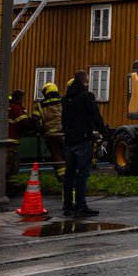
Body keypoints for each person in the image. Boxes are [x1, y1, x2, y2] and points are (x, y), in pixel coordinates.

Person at [61, 70, 109, 217]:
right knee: (83, 174)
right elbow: (95, 116)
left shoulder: (66, 99)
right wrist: (105, 134)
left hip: (69, 140)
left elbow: (63, 120)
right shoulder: (87, 96)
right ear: (85, 81)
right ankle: (81, 206)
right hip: (83, 139)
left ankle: (68, 206)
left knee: (69, 174)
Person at [34, 82, 66, 184]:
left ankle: (62, 180)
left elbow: (35, 120)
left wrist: (42, 131)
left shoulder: (39, 105)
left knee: (57, 158)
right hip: (64, 133)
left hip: (50, 136)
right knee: (69, 155)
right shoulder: (64, 100)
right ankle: (72, 180)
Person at [6, 90, 29, 195]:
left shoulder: (7, 106)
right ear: (20, 98)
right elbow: (24, 124)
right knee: (12, 164)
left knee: (8, 164)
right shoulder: (17, 109)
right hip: (12, 142)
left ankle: (10, 185)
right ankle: (10, 186)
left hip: (5, 141)